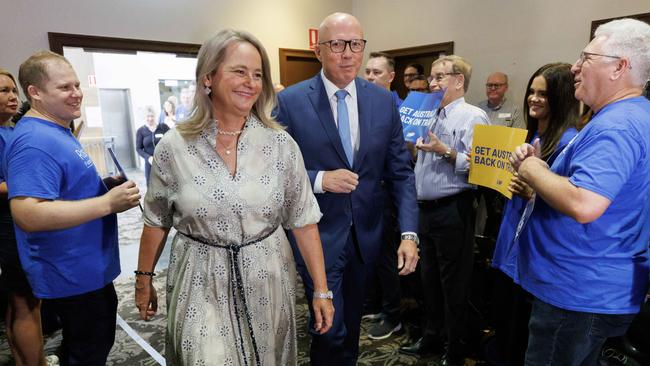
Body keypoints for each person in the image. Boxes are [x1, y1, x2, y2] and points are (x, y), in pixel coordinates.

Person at [134, 29, 333, 365]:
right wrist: (143, 279)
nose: (251, 82)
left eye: (257, 74)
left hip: (267, 276)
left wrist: (321, 289)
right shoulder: (174, 145)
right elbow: (156, 219)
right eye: (239, 71)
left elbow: (303, 221)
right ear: (208, 77)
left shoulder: (280, 145)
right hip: (200, 276)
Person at [275, 12, 419, 366]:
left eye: (356, 44)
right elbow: (274, 171)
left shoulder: (383, 101)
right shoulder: (291, 101)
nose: (348, 53)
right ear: (318, 51)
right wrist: (321, 180)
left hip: (367, 236)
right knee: (329, 328)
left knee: (350, 325)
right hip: (317, 236)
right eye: (337, 45)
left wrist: (409, 233)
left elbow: (400, 172)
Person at [509, 18, 650, 365]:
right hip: (592, 288)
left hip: (576, 294)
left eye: (586, 57)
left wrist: (531, 169)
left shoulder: (617, 125)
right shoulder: (633, 115)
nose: (574, 67)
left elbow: (584, 202)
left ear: (619, 67)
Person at [3, 51, 141, 365]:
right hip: (71, 272)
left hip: (85, 269)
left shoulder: (56, 129)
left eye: (77, 84)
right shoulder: (35, 141)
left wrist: (100, 187)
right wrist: (106, 203)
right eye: (64, 88)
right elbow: (28, 213)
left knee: (88, 346)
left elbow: (60, 191)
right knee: (87, 351)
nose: (76, 93)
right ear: (35, 93)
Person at [400, 55, 489, 365]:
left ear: (458, 81)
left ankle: (455, 349)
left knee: (454, 285)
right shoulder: (428, 114)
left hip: (454, 209)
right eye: (433, 77)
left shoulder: (472, 117)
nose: (433, 83)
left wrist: (446, 151)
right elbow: (417, 159)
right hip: (424, 209)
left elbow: (481, 167)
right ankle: (432, 335)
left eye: (439, 77)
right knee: (429, 281)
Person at [490, 62, 579, 366]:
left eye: (544, 93)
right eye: (532, 91)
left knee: (522, 339)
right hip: (509, 249)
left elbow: (572, 202)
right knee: (504, 328)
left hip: (534, 257)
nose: (534, 98)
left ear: (562, 98)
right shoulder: (526, 138)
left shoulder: (568, 143)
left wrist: (534, 193)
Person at [0, 68, 55, 366]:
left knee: (20, 303)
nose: (12, 96)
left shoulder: (13, 130)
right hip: (10, 227)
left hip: (22, 227)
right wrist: (30, 181)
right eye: (3, 91)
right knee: (25, 304)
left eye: (12, 90)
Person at [135, 106, 170, 184]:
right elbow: (138, 149)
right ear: (144, 117)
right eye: (148, 116)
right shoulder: (141, 131)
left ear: (155, 116)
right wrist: (148, 157)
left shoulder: (163, 127)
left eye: (152, 116)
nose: (150, 118)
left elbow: (172, 142)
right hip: (150, 164)